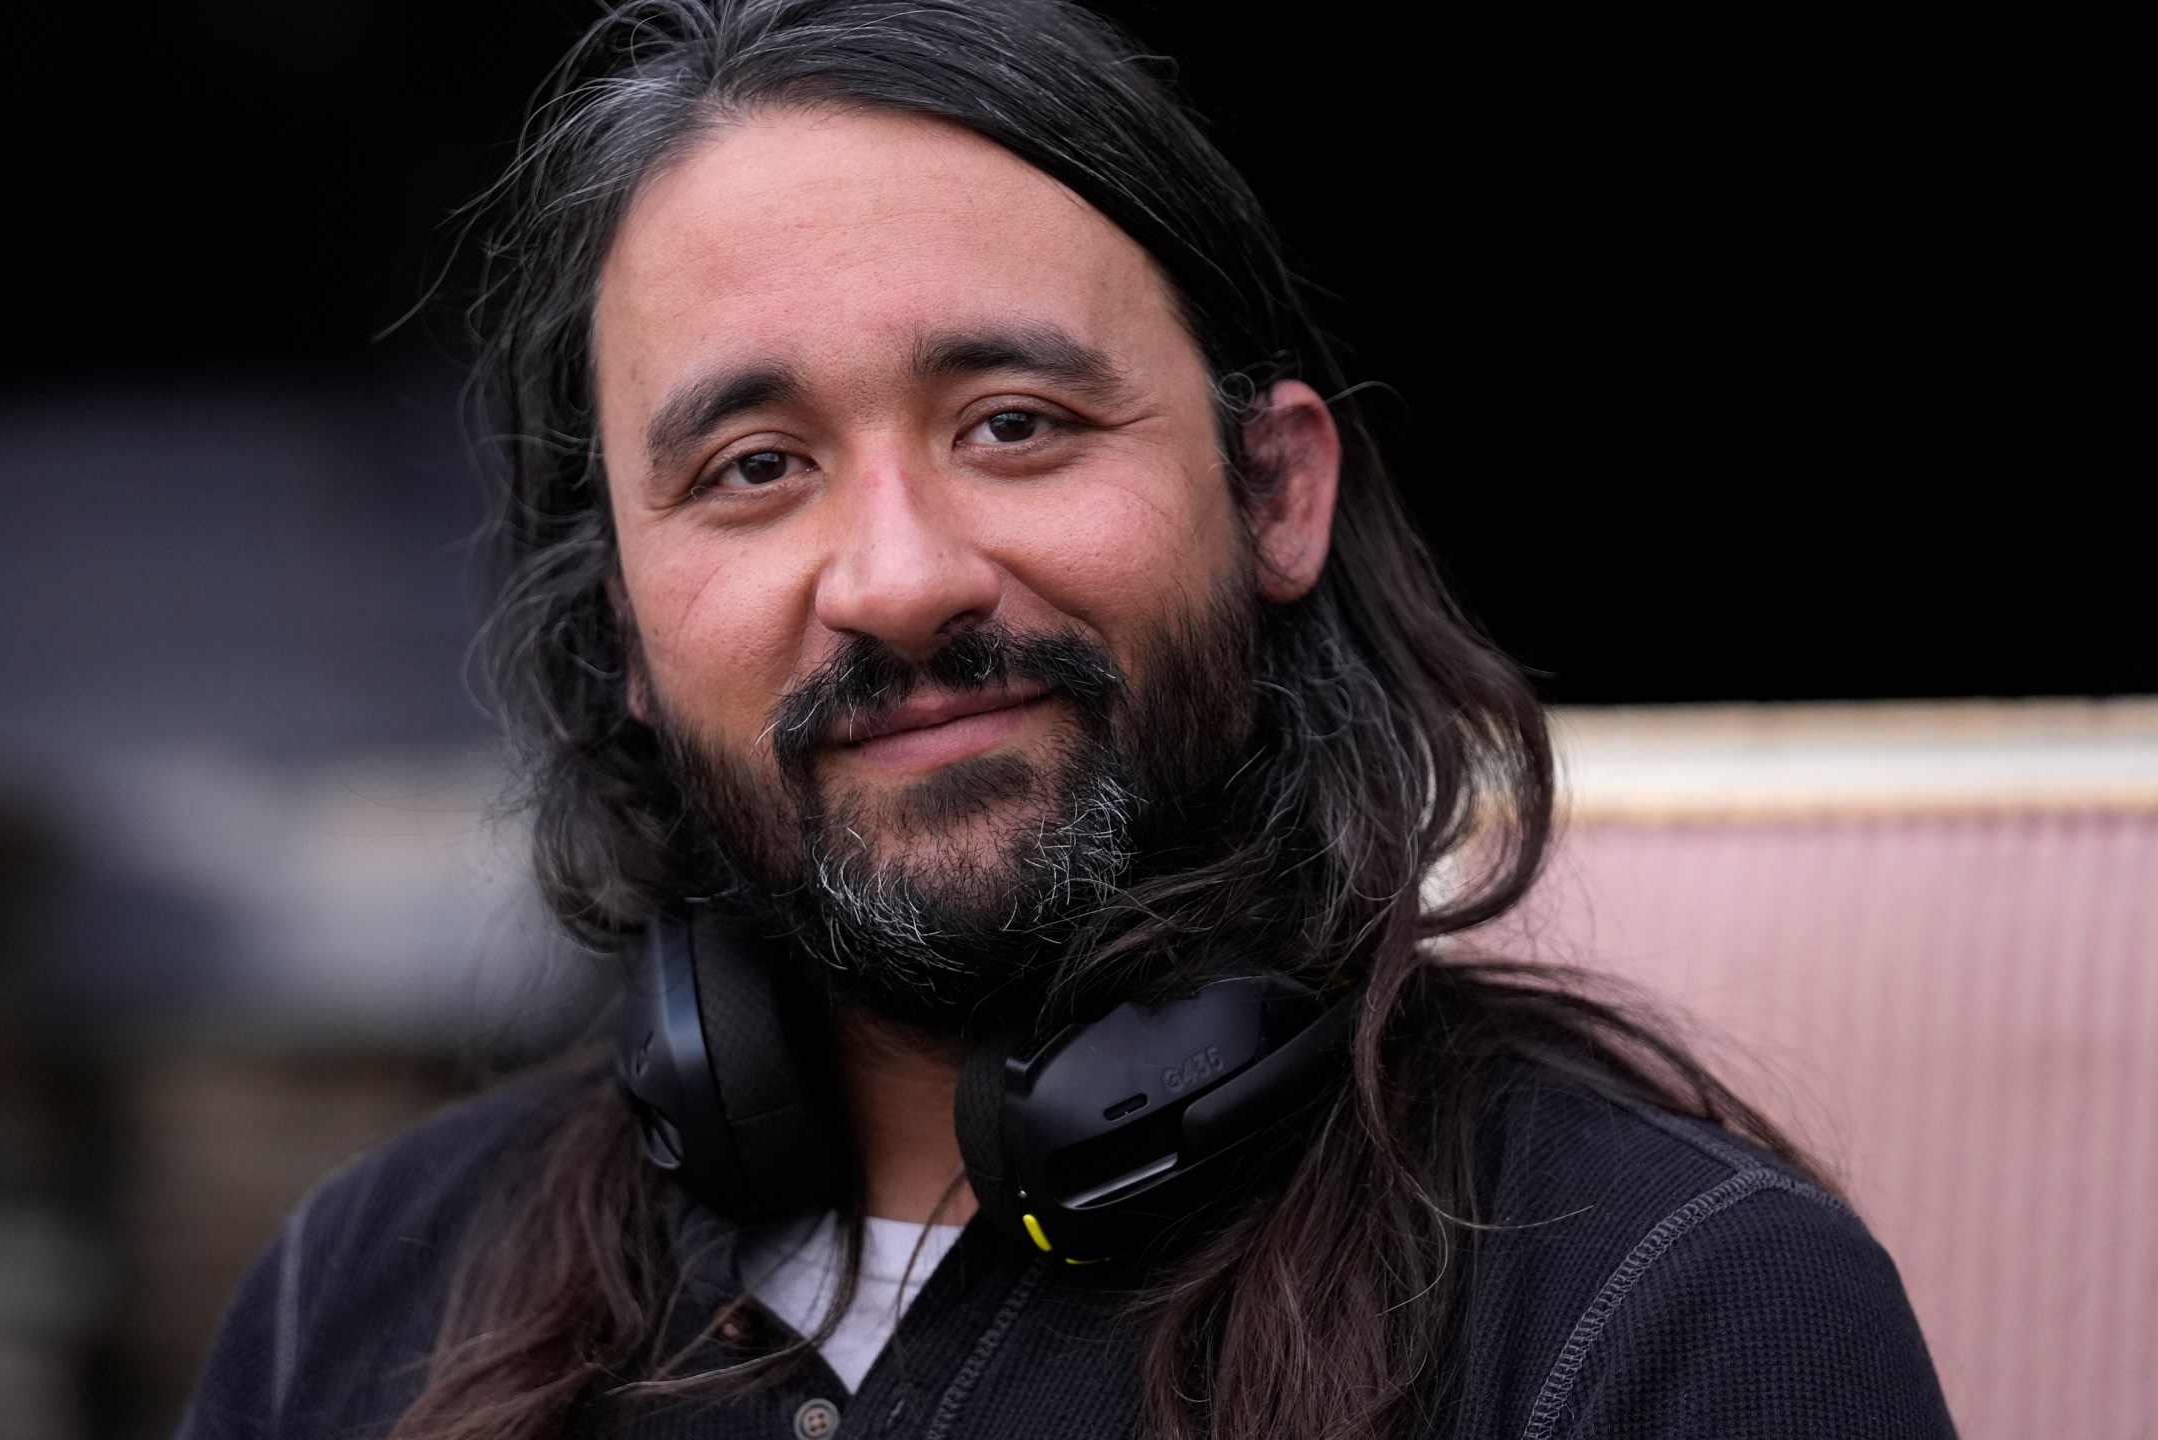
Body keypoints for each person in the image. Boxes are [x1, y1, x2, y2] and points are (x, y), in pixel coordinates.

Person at [179, 2, 1955, 1436]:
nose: (895, 578)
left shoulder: (1669, 1311)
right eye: (756, 467)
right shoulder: (369, 1298)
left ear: (1275, 492)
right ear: (625, 631)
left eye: (1014, 422)